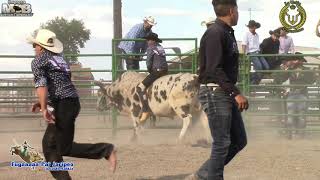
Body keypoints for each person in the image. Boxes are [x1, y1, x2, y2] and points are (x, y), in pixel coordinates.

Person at [28, 29, 117, 180]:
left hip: (64, 106)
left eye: (34, 46)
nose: (34, 49)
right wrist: (44, 102)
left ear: (41, 47)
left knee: (63, 147)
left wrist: (44, 108)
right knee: (50, 146)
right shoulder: (60, 59)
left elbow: (42, 85)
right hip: (70, 103)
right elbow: (63, 84)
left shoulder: (38, 61)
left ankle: (106, 150)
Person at [186, 0, 248, 179]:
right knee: (222, 143)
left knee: (238, 140)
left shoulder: (225, 32)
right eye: (237, 10)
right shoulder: (216, 33)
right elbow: (214, 68)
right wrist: (235, 93)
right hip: (216, 92)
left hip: (222, 91)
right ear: (231, 10)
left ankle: (202, 175)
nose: (238, 13)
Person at [273, 53, 315, 138]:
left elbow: (311, 80)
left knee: (300, 114)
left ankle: (300, 132)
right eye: (295, 59)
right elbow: (281, 78)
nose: (295, 61)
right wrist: (287, 69)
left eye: (297, 60)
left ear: (301, 61)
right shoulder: (290, 70)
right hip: (292, 94)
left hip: (301, 93)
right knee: (291, 114)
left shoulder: (306, 70)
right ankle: (290, 132)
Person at [137, 33, 168, 122]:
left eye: (148, 40)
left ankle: (146, 110)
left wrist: (150, 71)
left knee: (140, 88)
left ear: (152, 40)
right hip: (165, 70)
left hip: (157, 71)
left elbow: (149, 63)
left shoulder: (150, 48)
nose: (147, 41)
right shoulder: (160, 47)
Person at [242, 20, 270, 84]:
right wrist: (244, 55)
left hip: (258, 52)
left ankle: (252, 79)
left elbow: (257, 45)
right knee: (259, 67)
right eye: (250, 27)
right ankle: (253, 82)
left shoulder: (257, 35)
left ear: (255, 27)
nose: (251, 28)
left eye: (252, 27)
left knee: (267, 67)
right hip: (251, 53)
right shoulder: (246, 34)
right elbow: (244, 45)